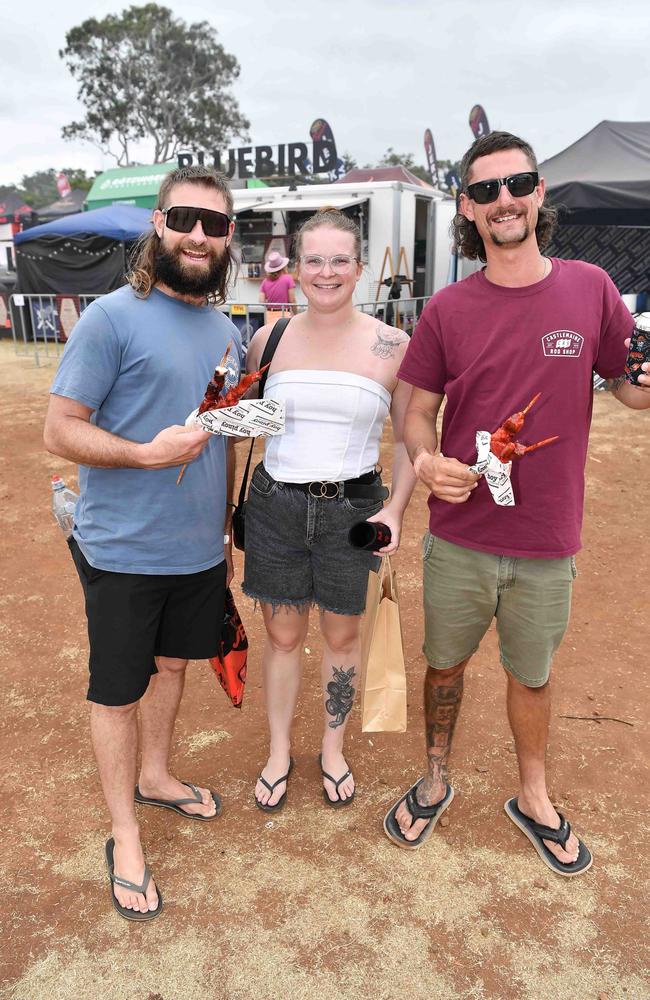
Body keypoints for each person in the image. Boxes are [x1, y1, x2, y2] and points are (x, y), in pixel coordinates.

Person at [385, 131, 650, 876]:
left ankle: (534, 794)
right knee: (445, 665)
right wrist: (427, 460)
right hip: (460, 534)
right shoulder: (446, 309)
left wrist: (647, 380)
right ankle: (435, 776)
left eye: (517, 184)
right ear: (467, 210)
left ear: (538, 194)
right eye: (485, 191)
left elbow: (629, 386)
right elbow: (414, 411)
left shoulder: (590, 289)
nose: (503, 200)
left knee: (531, 673)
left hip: (546, 536)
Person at [43, 165, 243, 920]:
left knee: (170, 665)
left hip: (195, 551)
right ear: (159, 224)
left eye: (215, 225)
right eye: (186, 219)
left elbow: (219, 437)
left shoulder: (227, 329)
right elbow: (59, 428)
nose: (198, 235)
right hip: (122, 549)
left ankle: (156, 777)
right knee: (119, 691)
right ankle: (124, 832)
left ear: (228, 240)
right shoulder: (112, 317)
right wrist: (142, 454)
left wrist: (222, 531)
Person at [243, 208, 416, 811]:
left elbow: (413, 442)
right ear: (294, 268)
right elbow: (246, 422)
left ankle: (333, 748)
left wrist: (394, 511)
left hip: (353, 512)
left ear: (360, 268)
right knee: (281, 635)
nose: (325, 271)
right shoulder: (270, 339)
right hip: (275, 505)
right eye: (313, 259)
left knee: (343, 638)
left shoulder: (393, 346)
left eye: (339, 259)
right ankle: (278, 750)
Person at [259, 249, 297, 320]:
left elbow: (261, 301)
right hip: (284, 315)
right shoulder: (288, 278)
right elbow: (292, 300)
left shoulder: (265, 281)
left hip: (269, 315)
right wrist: (295, 313)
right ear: (283, 266)